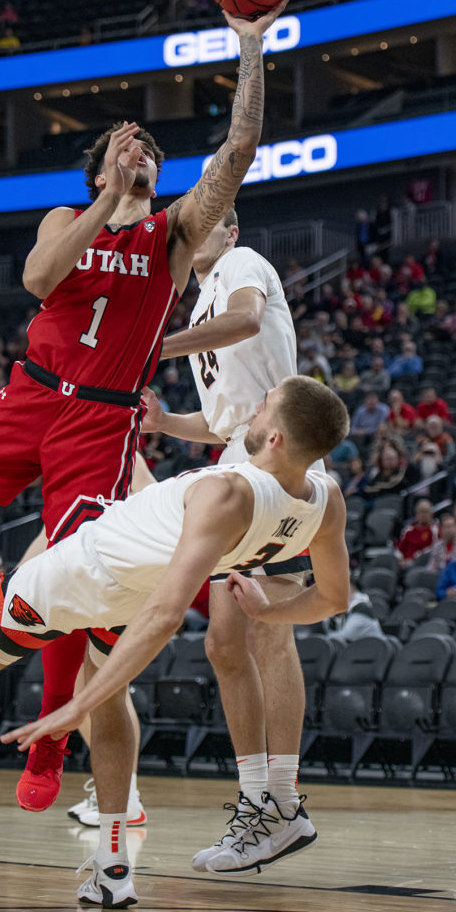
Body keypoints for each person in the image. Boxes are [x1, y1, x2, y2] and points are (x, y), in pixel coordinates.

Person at [0, 3, 289, 821]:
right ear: (100, 169)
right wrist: (105, 198)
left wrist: (251, 46)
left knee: (63, 573)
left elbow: (237, 154)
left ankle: (51, 740)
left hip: (103, 417)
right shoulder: (66, 219)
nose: (143, 153)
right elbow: (40, 280)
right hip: (32, 393)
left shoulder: (174, 234)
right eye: (129, 146)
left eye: (150, 148)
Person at [0, 377, 351, 908]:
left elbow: (170, 615)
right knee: (111, 691)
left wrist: (74, 709)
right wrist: (269, 609)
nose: (251, 414)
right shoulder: (326, 500)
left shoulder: (228, 492)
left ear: (276, 437)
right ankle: (112, 868)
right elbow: (333, 599)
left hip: (77, 576)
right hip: (130, 594)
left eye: (262, 409)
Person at [140, 207, 325, 875]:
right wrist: (165, 422)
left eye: (216, 222)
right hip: (237, 466)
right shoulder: (195, 313)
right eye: (194, 228)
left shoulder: (240, 269)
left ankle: (280, 804)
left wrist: (147, 348)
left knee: (265, 632)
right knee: (222, 641)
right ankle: (261, 804)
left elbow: (247, 321)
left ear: (232, 231)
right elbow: (222, 420)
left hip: (281, 467)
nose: (204, 233)